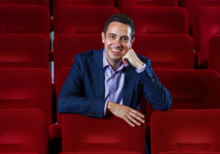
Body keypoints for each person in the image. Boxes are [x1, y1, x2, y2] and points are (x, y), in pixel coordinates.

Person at [58, 14, 172, 153]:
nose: (117, 44)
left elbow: (163, 104)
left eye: (124, 39)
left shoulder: (140, 65)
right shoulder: (83, 61)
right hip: (92, 140)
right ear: (103, 38)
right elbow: (64, 102)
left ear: (131, 43)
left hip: (127, 141)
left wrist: (139, 66)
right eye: (112, 36)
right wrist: (110, 106)